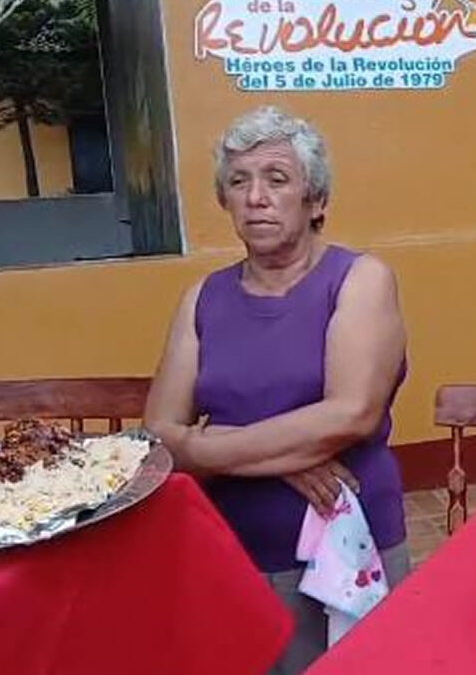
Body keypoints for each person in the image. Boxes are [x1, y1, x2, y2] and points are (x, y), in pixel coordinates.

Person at [144, 105, 409, 674]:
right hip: (231, 552)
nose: (255, 197)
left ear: (316, 201)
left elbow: (350, 415)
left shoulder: (360, 280)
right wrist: (279, 458)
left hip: (346, 546)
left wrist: (211, 447)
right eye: (238, 182)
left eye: (277, 179)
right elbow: (158, 438)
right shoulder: (202, 299)